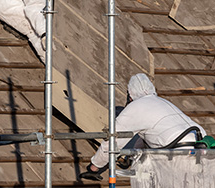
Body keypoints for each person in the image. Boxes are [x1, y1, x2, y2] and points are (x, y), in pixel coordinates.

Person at [79, 73, 207, 181]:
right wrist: (131, 157)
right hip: (203, 149)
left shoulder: (135, 107)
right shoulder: (162, 102)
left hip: (178, 154)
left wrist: (94, 167)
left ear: (130, 94)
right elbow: (146, 136)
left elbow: (113, 141)